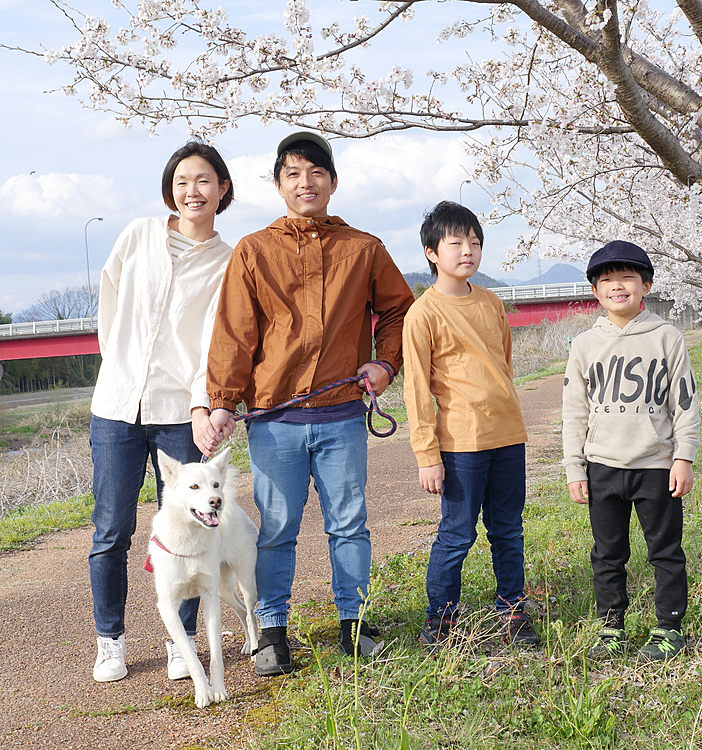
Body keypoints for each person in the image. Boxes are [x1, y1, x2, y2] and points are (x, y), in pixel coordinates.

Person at [206, 131, 414, 676]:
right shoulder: (254, 250)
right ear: (278, 185)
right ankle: (273, 631)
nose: (306, 183)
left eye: (316, 172)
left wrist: (384, 363)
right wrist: (223, 402)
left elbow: (399, 312)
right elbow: (234, 333)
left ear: (333, 181)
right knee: (277, 528)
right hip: (275, 420)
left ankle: (355, 621)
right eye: (294, 174)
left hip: (343, 412)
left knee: (350, 523)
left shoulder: (364, 248)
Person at [88, 141, 235, 683]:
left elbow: (216, 341)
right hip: (117, 404)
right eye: (181, 181)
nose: (191, 191)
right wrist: (119, 364)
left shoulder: (229, 261)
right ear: (169, 187)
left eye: (203, 181)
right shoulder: (139, 235)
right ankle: (111, 639)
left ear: (223, 189)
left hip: (181, 410)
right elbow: (108, 297)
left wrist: (204, 402)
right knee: (111, 528)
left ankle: (182, 641)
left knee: (188, 528)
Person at [402, 201, 537, 649]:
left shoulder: (492, 302)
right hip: (461, 443)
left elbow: (504, 364)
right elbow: (417, 390)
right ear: (431, 252)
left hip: (508, 437)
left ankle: (513, 612)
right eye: (456, 242)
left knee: (508, 529)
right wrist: (427, 455)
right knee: (457, 534)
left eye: (475, 243)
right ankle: (439, 622)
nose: (467, 251)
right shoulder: (422, 314)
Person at [562, 240, 700, 661]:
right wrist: (574, 468)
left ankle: (669, 627)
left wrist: (683, 457)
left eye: (627, 278)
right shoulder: (585, 344)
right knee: (607, 553)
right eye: (607, 280)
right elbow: (574, 412)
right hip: (603, 466)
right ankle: (611, 627)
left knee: (665, 550)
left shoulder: (667, 338)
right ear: (595, 291)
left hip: (656, 466)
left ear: (646, 285)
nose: (617, 287)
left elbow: (685, 403)